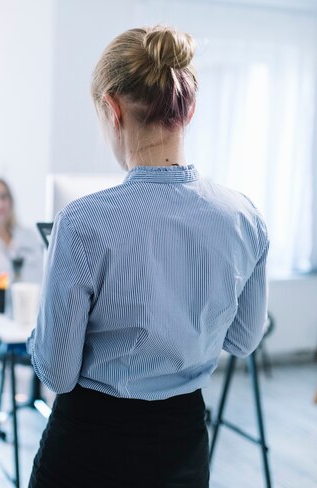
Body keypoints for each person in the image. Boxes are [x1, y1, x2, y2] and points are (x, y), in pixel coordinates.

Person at [27, 26, 269, 488]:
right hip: (182, 445)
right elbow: (242, 340)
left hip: (88, 446)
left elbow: (56, 372)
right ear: (189, 108)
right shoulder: (245, 217)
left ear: (112, 108)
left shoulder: (81, 223)